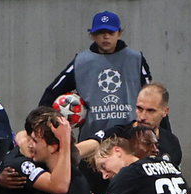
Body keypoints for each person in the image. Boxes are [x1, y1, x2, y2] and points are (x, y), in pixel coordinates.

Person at [40, 10, 153, 142]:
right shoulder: (81, 62)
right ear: (92, 35)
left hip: (130, 140)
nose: (106, 37)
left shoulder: (136, 60)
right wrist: (39, 127)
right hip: (92, 141)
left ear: (119, 33)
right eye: (100, 32)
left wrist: (164, 136)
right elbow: (51, 93)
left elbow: (153, 98)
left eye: (110, 32)